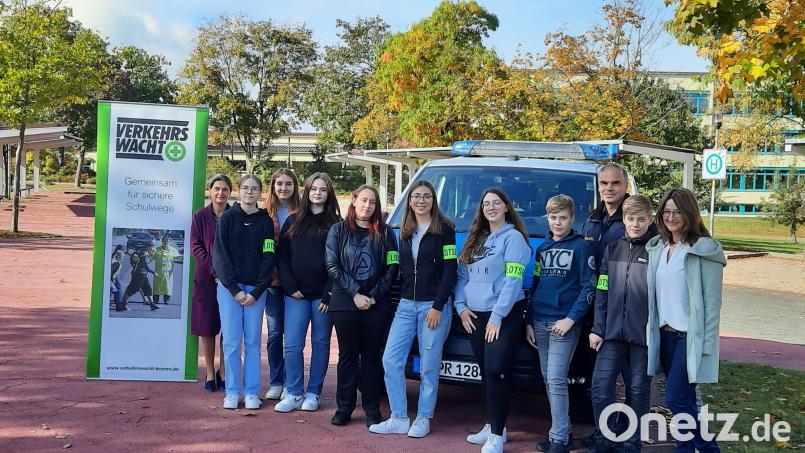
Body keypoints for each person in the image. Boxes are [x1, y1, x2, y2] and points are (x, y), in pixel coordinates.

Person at [370, 181, 457, 438]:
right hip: (407, 305)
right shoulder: (403, 231)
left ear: (433, 200)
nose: (421, 201)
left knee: (429, 366)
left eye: (426, 196)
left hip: (434, 306)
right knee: (390, 359)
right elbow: (397, 267)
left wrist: (439, 306)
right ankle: (398, 417)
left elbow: (450, 271)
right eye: (416, 196)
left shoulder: (445, 229)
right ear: (409, 201)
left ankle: (423, 417)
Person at [646, 188, 725, 453]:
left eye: (677, 211)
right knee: (686, 401)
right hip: (665, 336)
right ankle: (685, 449)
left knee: (675, 399)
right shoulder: (659, 247)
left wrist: (706, 345)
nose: (671, 217)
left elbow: (713, 304)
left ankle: (709, 449)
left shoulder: (704, 250)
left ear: (689, 213)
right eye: (666, 212)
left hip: (688, 338)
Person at [456, 188, 531, 453]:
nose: (491, 208)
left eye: (496, 203)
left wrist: (498, 316)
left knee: (496, 371)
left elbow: (514, 280)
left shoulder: (515, 239)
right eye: (486, 204)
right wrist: (461, 307)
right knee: (486, 373)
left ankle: (497, 436)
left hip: (504, 314)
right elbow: (462, 277)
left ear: (506, 207)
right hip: (474, 315)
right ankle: (493, 424)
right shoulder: (475, 239)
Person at [325, 184, 399, 427]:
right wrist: (355, 293)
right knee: (347, 356)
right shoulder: (338, 231)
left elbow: (392, 268)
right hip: (345, 303)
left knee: (370, 357)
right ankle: (344, 408)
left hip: (377, 305)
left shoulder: (387, 234)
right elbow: (332, 265)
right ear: (354, 201)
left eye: (373, 202)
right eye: (364, 200)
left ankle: (371, 409)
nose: (367, 206)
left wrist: (374, 296)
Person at [526, 195, 595, 453]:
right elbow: (535, 285)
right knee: (548, 378)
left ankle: (559, 439)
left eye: (562, 217)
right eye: (553, 217)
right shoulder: (542, 249)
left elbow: (589, 288)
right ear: (547, 217)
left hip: (565, 324)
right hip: (540, 321)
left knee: (555, 378)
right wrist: (530, 321)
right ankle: (563, 432)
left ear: (572, 218)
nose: (557, 222)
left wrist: (571, 319)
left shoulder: (582, 248)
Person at [588, 195, 655, 453]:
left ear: (650, 220)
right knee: (600, 386)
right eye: (630, 219)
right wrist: (597, 328)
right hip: (611, 333)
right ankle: (605, 438)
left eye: (641, 219)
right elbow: (602, 290)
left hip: (643, 336)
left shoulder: (656, 251)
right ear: (623, 220)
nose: (635, 224)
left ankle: (631, 442)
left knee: (638, 390)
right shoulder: (613, 248)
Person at [274, 172, 341, 413]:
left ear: (328, 193)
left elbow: (339, 262)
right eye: (314, 189)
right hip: (296, 295)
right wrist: (290, 286)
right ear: (307, 191)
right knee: (292, 344)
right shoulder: (293, 221)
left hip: (323, 297)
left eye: (323, 189)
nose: (318, 193)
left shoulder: (336, 224)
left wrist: (329, 293)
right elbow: (280, 256)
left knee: (321, 344)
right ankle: (293, 392)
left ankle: (313, 392)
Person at [578, 162, 631, 451]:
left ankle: (625, 435)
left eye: (615, 183)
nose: (609, 189)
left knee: (631, 381)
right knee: (599, 380)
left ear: (625, 185)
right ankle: (605, 431)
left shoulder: (632, 220)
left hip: (623, 311)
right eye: (604, 184)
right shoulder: (591, 221)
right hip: (594, 310)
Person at [212, 175, 275, 410]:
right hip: (230, 290)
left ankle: (251, 392)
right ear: (238, 191)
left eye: (255, 189)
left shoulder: (265, 222)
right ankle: (232, 391)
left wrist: (258, 290)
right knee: (231, 341)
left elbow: (269, 256)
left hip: (256, 293)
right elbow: (220, 257)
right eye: (246, 188)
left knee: (252, 342)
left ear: (260, 193)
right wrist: (234, 290)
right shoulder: (227, 218)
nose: (250, 192)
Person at [190, 174, 231, 392]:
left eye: (225, 189)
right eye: (217, 188)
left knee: (228, 326)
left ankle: (223, 370)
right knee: (207, 327)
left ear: (230, 193)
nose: (220, 193)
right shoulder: (200, 216)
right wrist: (214, 270)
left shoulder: (235, 215)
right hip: (206, 278)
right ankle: (208, 369)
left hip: (230, 280)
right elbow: (195, 246)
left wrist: (225, 273)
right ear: (210, 191)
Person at [263, 168, 301, 400]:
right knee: (275, 333)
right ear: (273, 186)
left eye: (288, 184)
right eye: (280, 184)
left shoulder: (303, 212)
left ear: (295, 187)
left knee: (293, 335)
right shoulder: (265, 213)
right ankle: (276, 381)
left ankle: (291, 381)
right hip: (272, 281)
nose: (284, 188)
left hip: (297, 281)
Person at [122, 243, 159, 311]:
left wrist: (151, 255)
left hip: (143, 275)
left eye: (153, 249)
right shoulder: (144, 255)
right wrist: (153, 272)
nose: (153, 250)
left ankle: (152, 304)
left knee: (148, 289)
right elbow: (145, 266)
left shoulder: (146, 254)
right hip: (138, 275)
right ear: (147, 248)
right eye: (151, 249)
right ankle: (123, 303)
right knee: (132, 289)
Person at [152, 236, 180, 305]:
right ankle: (155, 300)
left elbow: (179, 257)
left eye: (167, 241)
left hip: (168, 274)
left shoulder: (173, 250)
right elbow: (150, 256)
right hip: (158, 274)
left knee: (167, 287)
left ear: (169, 242)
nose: (166, 243)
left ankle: (166, 300)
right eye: (165, 241)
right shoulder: (157, 250)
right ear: (162, 242)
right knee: (157, 288)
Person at [110, 245, 125, 312]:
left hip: (112, 279)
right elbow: (111, 271)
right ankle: (119, 307)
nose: (123, 258)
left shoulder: (116, 261)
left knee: (115, 291)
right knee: (115, 291)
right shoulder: (116, 263)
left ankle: (119, 306)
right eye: (122, 256)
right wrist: (112, 279)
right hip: (110, 279)